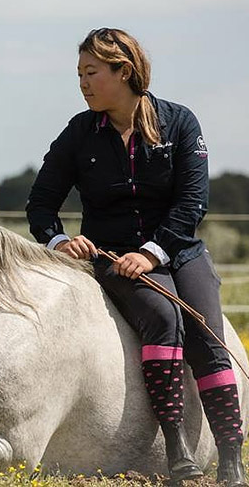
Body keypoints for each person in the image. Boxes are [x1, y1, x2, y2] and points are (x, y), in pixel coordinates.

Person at [26, 27, 246, 486]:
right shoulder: (79, 132)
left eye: (91, 73)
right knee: (164, 317)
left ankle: (230, 457)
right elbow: (41, 203)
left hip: (180, 252)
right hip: (111, 258)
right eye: (79, 74)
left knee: (207, 333)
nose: (82, 83)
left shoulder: (181, 122)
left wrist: (151, 252)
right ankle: (176, 447)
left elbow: (193, 202)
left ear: (122, 71)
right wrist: (59, 241)